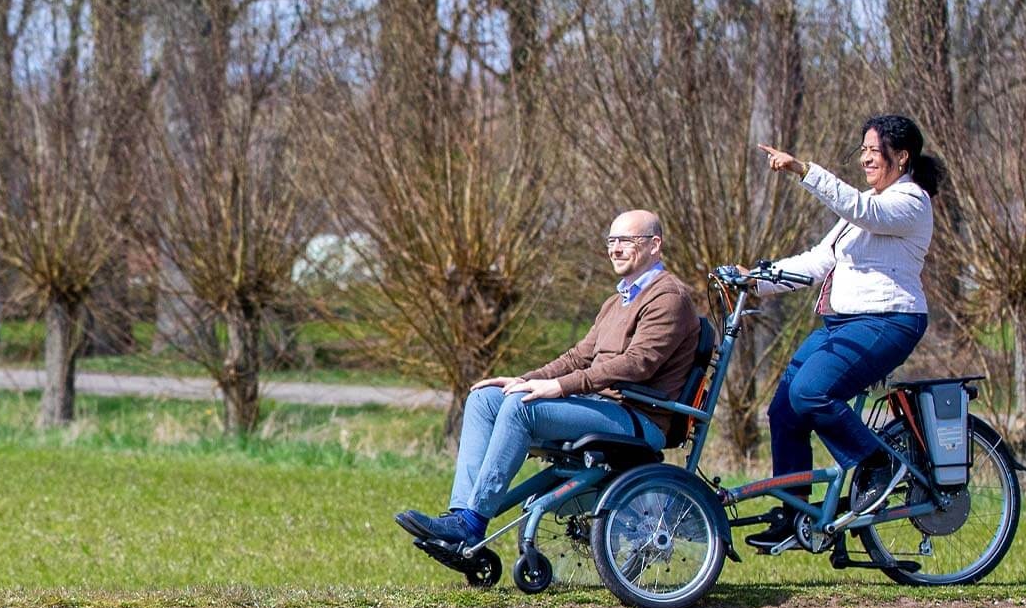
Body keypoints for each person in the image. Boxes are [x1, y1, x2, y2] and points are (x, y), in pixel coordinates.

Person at [396, 209, 701, 547]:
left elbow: (637, 364)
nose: (614, 249)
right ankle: (459, 516)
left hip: (639, 417)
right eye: (611, 241)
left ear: (654, 244)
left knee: (522, 409)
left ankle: (471, 523)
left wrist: (559, 387)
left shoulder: (669, 297)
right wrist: (523, 379)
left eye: (625, 241)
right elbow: (578, 357)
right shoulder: (616, 301)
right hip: (600, 406)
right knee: (485, 400)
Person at [744, 115, 942, 550]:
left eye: (874, 151)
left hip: (890, 320)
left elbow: (861, 210)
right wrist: (754, 279)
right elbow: (818, 262)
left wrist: (803, 170)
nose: (866, 158)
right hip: (844, 321)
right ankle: (796, 514)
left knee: (811, 391)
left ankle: (878, 465)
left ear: (901, 156)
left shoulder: (909, 201)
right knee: (784, 409)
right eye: (864, 151)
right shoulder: (864, 208)